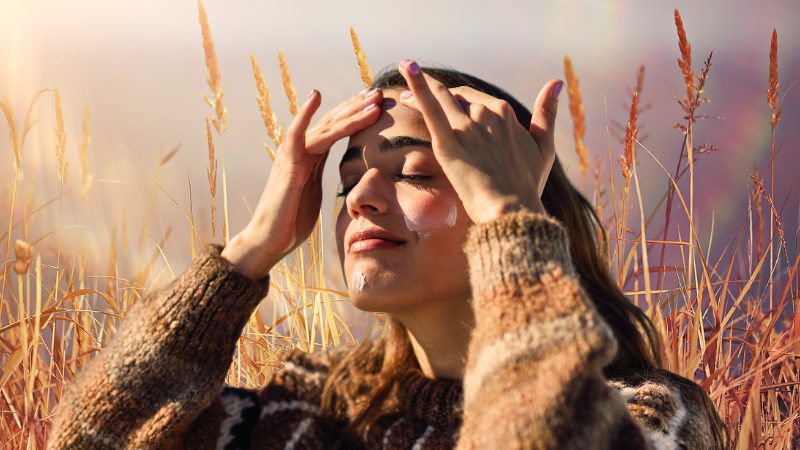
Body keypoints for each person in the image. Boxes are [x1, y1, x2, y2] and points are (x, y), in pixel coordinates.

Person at [49, 60, 728, 449]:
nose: (361, 199)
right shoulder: (305, 410)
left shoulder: (649, 417)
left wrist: (509, 222)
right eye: (347, 180)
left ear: (520, 213)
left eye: (416, 173)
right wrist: (248, 252)